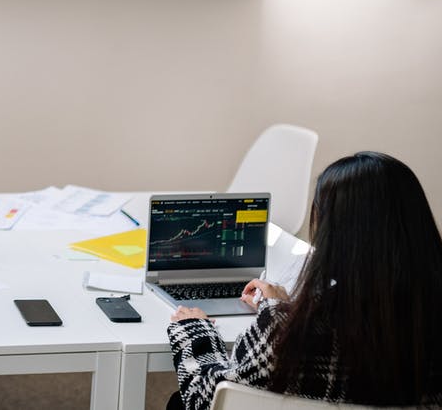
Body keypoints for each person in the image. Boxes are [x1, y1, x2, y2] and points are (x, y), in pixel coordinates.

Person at [166, 151, 442, 409]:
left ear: (331, 232)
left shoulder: (289, 335)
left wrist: (194, 329)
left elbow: (204, 398)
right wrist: (280, 309)